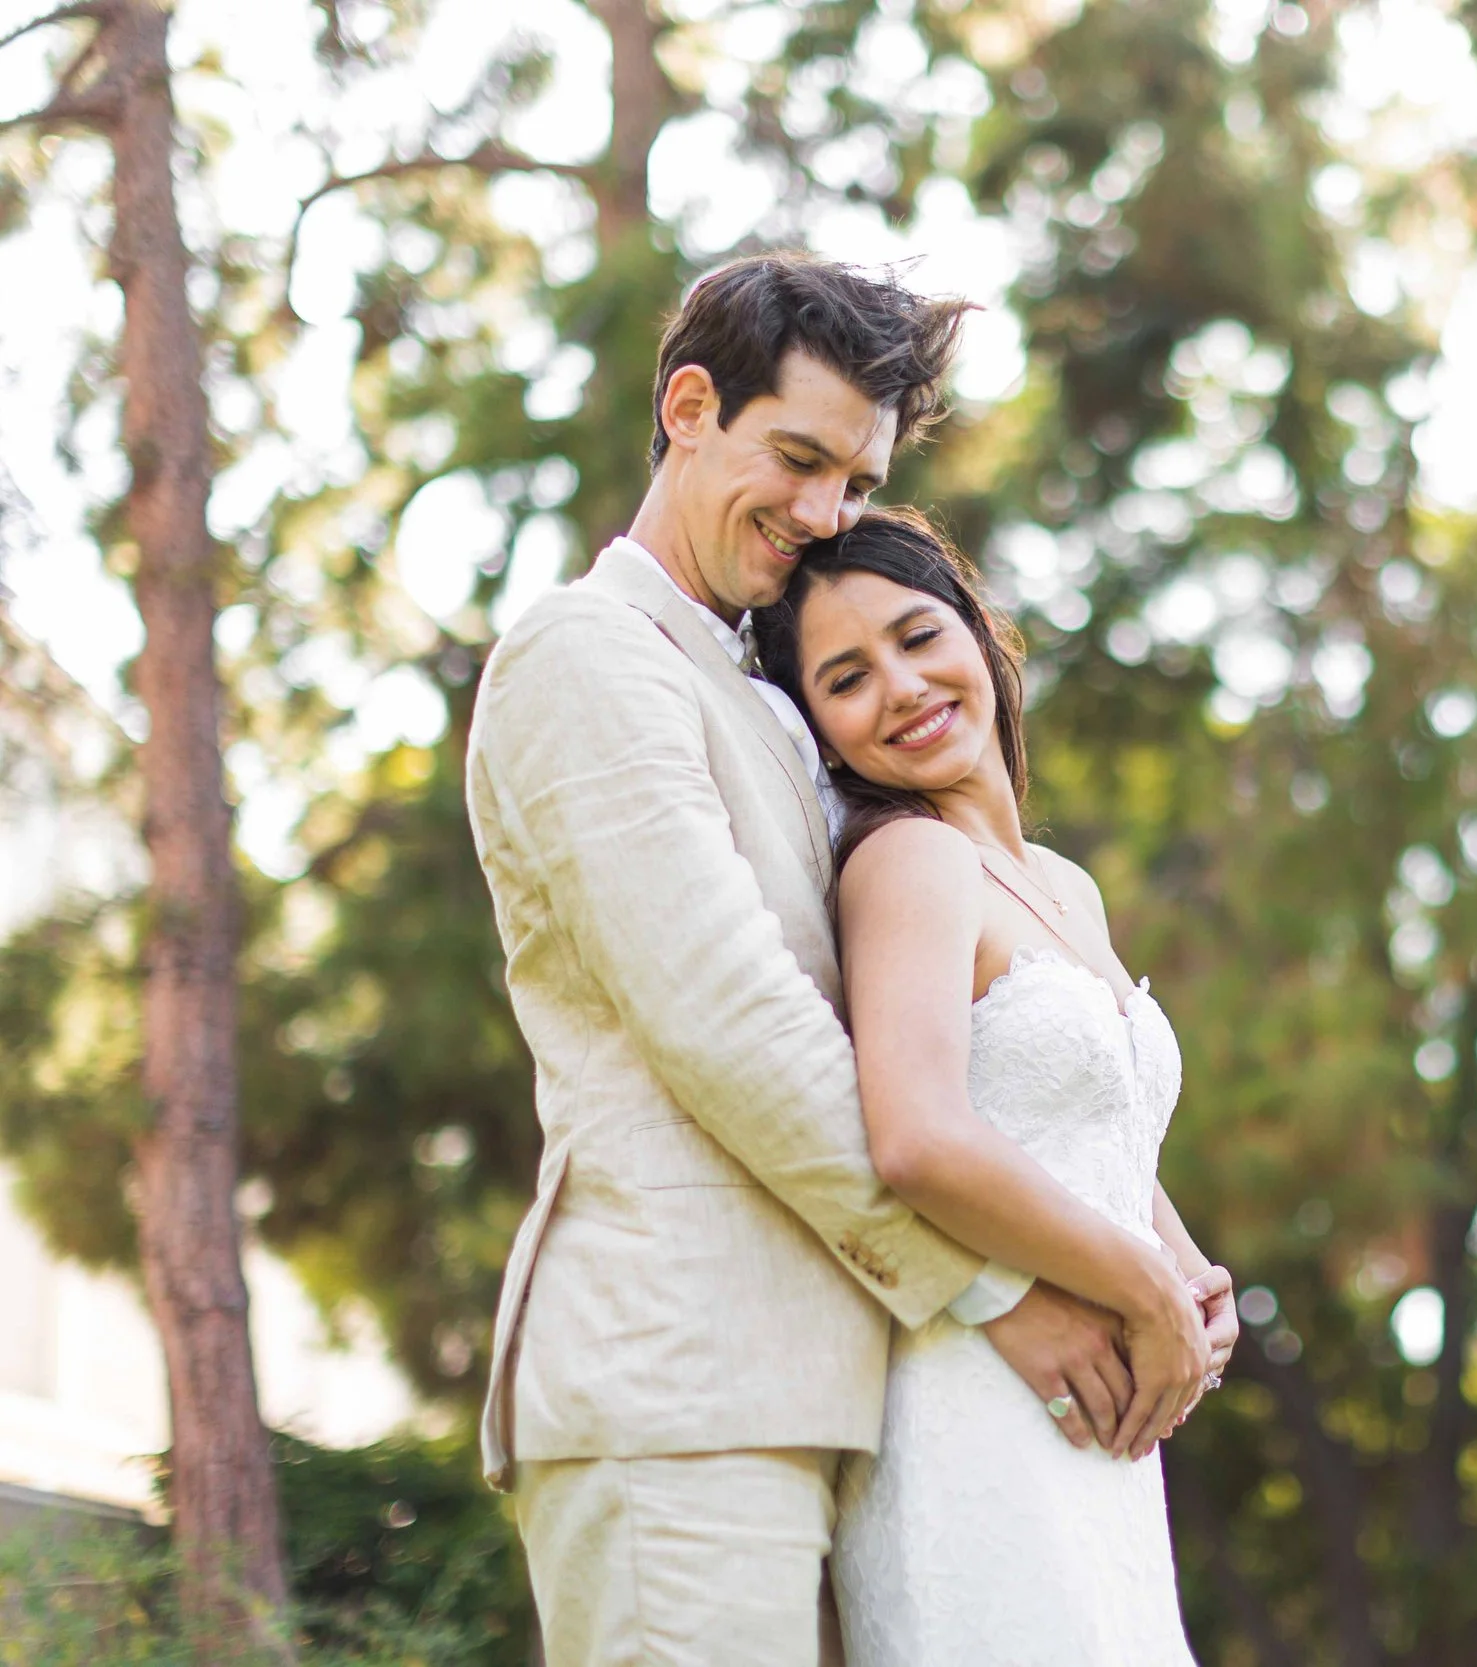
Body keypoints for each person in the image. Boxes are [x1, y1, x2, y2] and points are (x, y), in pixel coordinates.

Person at [463, 252, 1218, 1665]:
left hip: (846, 1399)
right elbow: (732, 1025)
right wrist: (1006, 1287)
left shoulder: (760, 699)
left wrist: (1151, 1238)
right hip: (678, 1388)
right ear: (689, 406)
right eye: (797, 457)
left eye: (857, 484)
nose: (822, 515)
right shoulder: (588, 654)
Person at [751, 506, 1232, 1666]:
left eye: (920, 636)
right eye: (848, 676)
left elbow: (1088, 1120)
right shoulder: (906, 860)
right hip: (979, 1406)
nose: (905, 686)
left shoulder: (1063, 884)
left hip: (1102, 1438)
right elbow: (916, 1133)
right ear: (817, 723)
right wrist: (1139, 1286)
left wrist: (1188, 1274)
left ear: (978, 630)